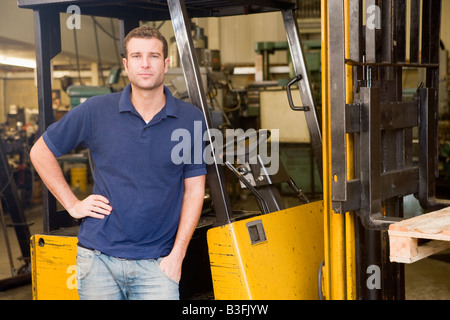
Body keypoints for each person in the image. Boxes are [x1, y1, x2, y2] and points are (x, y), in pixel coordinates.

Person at [30, 26, 206, 300]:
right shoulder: (95, 110)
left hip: (158, 264)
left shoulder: (190, 119)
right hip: (98, 260)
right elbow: (40, 152)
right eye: (136, 56)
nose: (145, 64)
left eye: (154, 56)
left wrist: (178, 254)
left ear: (167, 64)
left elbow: (194, 190)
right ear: (126, 64)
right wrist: (73, 205)